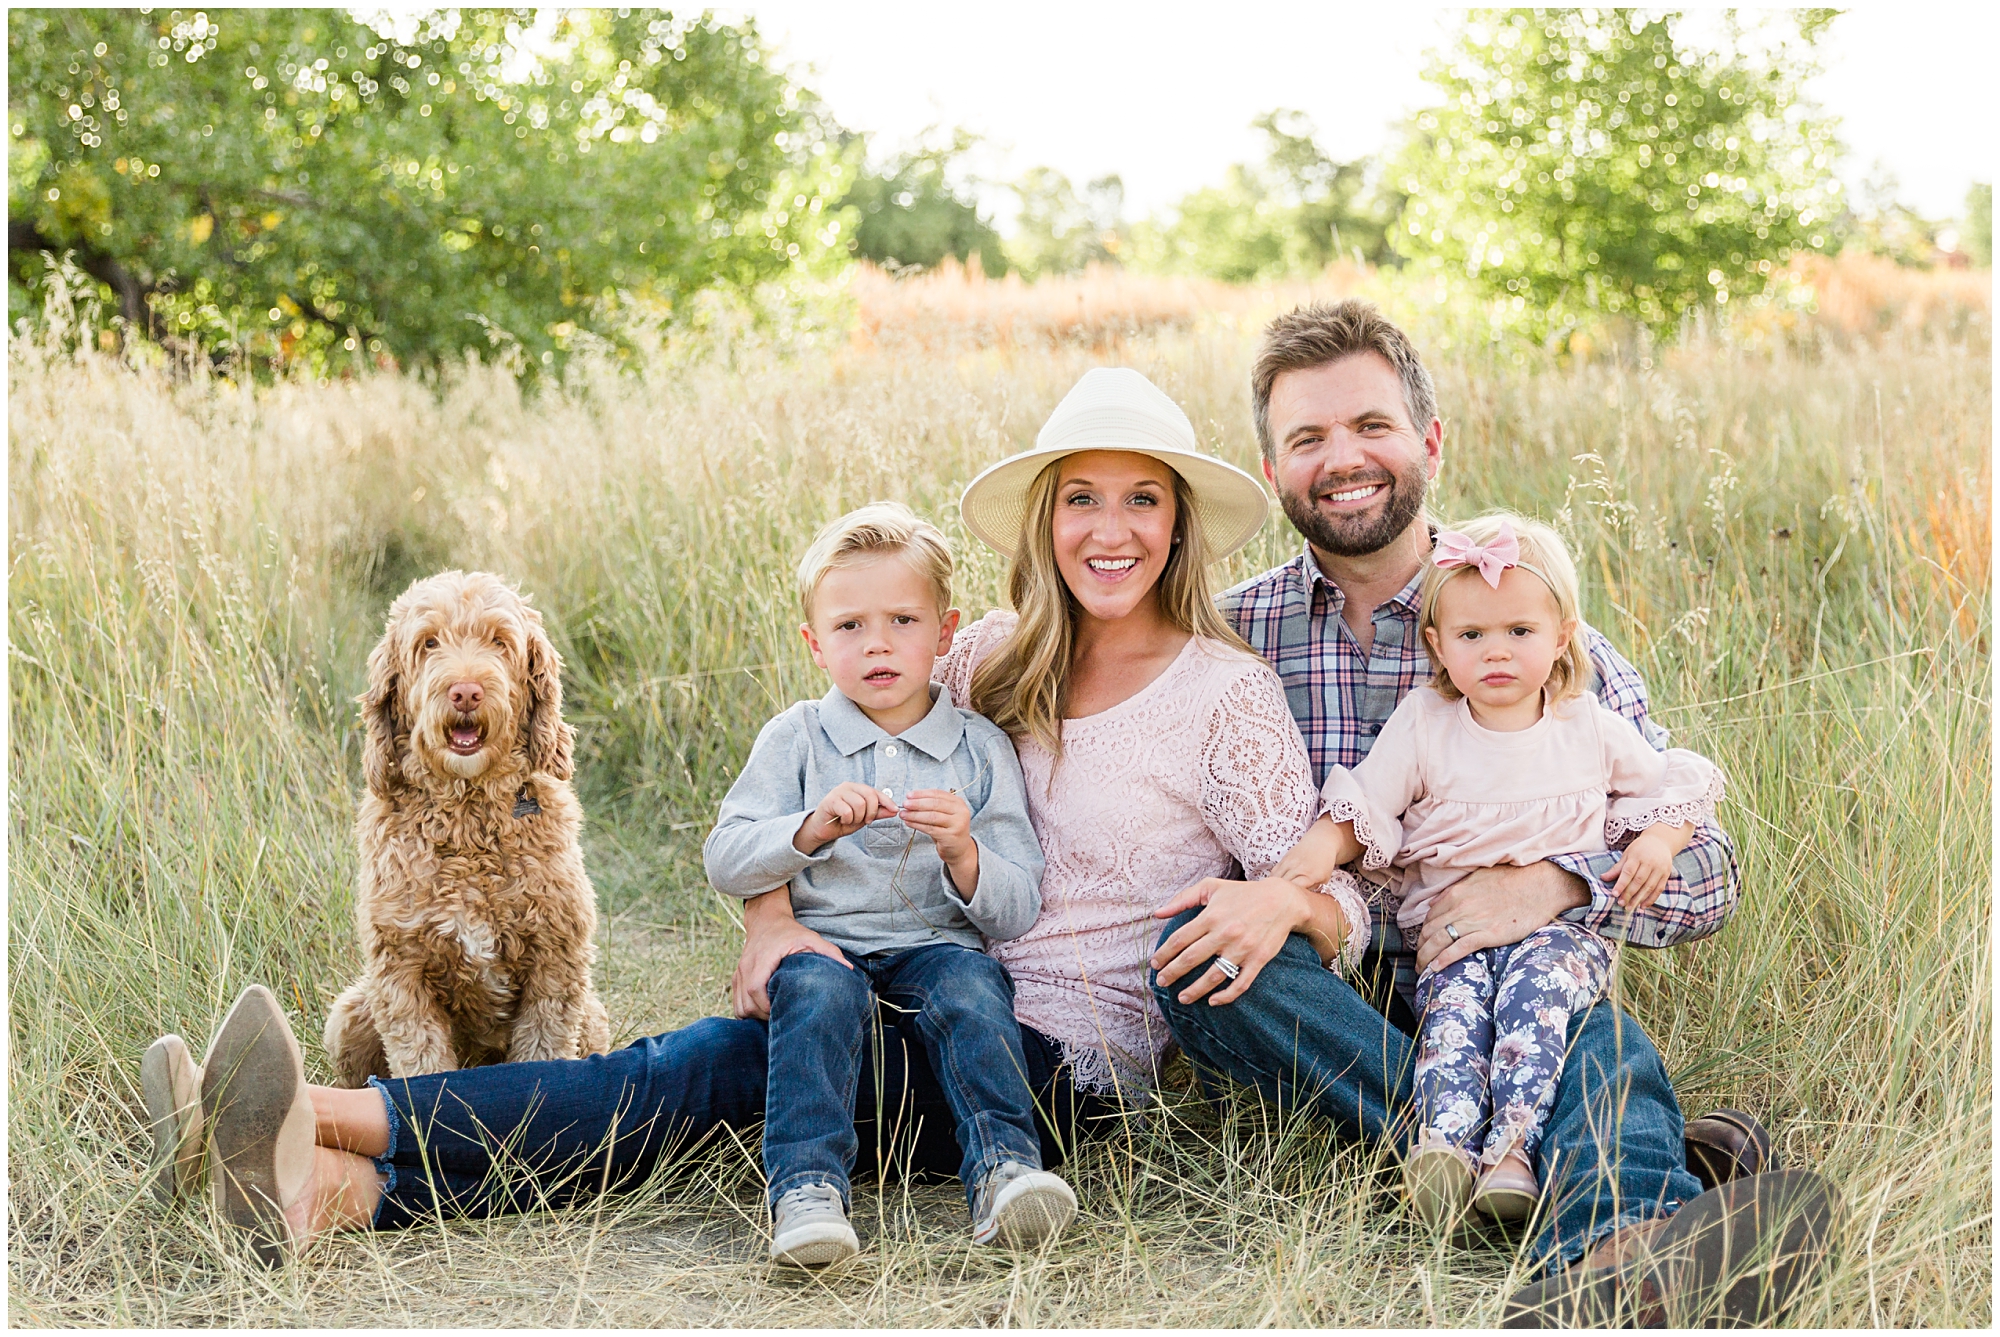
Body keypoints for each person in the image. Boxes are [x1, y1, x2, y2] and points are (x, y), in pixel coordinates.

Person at [140, 365, 1370, 1266]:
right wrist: (771, 914)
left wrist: (1291, 897)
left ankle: (319, 1128)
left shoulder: (1225, 692)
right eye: (1081, 499)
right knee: (725, 1058)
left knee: (705, 1071)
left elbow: (1329, 900)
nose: (1110, 529)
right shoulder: (983, 653)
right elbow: (831, 732)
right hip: (894, 977)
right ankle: (316, 1189)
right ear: (1046, 520)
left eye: (1141, 500)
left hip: (1043, 1063)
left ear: (1179, 522)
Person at [1145, 299, 1835, 1325]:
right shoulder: (1224, 637)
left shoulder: (1532, 618)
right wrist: (1284, 899)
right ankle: (1595, 1150)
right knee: (1196, 959)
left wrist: (1558, 881)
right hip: (1336, 1007)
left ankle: (1610, 1253)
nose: (1342, 457)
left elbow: (1706, 869)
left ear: (1427, 440)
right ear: (1271, 470)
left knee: (1583, 1028)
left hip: (1528, 980)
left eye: (1369, 425)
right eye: (1307, 438)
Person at [1267, 512, 1724, 1226]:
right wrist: (1322, 847)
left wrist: (1656, 843)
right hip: (1447, 937)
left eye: (1520, 632)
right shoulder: (1426, 722)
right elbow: (1368, 799)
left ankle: (1515, 1156)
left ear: (1563, 636)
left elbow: (1675, 786)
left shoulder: (1586, 724)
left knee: (1540, 1014)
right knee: (1454, 1018)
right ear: (1438, 646)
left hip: (1560, 937)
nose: (1497, 652)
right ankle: (1445, 1152)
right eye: (1473, 636)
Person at [702, 502, 1069, 1266]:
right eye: (849, 626)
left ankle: (1005, 1169)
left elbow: (1019, 901)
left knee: (973, 990)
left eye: (903, 620)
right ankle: (806, 1191)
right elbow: (727, 856)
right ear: (814, 642)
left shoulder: (978, 745)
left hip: (937, 946)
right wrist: (807, 831)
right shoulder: (796, 737)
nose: (877, 643)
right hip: (827, 947)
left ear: (945, 630)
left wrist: (964, 851)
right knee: (816, 995)